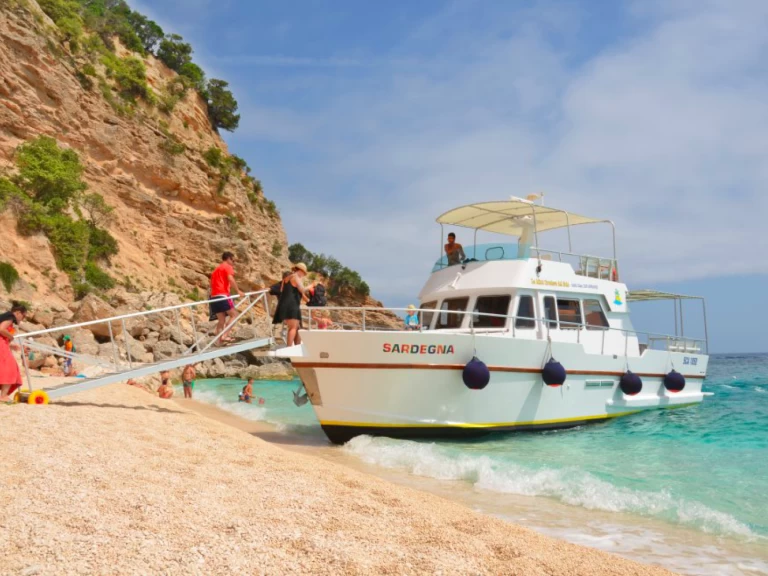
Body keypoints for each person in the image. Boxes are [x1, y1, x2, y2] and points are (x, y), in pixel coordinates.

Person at [210, 251, 245, 345]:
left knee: (221, 320)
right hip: (223, 295)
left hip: (213, 297)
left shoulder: (216, 269)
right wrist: (238, 291)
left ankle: (218, 341)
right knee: (234, 315)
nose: (234, 263)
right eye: (233, 261)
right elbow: (230, 279)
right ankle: (225, 336)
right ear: (229, 258)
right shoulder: (227, 267)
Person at [272, 262, 310, 347]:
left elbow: (282, 290)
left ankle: (295, 347)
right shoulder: (295, 276)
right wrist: (311, 286)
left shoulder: (286, 278)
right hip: (292, 305)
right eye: (304, 273)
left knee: (296, 328)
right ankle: (289, 348)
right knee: (293, 328)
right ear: (301, 270)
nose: (303, 275)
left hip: (285, 305)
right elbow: (303, 290)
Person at [0, 303, 27, 402]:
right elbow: (1, 329)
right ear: (18, 312)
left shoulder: (4, 316)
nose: (23, 318)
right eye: (23, 316)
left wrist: (11, 344)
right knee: (10, 368)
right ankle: (3, 396)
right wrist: (11, 337)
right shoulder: (10, 316)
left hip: (3, 344)